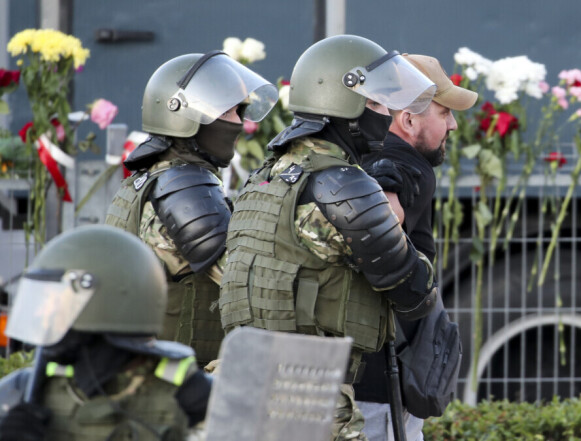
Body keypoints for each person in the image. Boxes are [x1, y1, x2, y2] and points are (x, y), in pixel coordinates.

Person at [218, 34, 440, 441]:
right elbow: (416, 288)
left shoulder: (265, 175)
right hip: (311, 398)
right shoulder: (342, 185)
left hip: (245, 383)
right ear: (344, 105)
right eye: (375, 103)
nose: (386, 114)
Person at [105, 51, 278, 366]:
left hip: (142, 372)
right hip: (171, 386)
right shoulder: (185, 187)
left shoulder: (148, 178)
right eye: (228, 111)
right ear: (186, 115)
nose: (239, 122)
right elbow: (248, 285)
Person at [354, 54, 477, 441]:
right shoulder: (407, 164)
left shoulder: (348, 158)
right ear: (407, 120)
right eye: (444, 114)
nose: (453, 125)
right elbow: (397, 181)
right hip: (382, 392)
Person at [0, 225, 212, 441]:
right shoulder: (24, 391)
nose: (45, 315)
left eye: (57, 303)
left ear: (104, 303)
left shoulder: (192, 398)